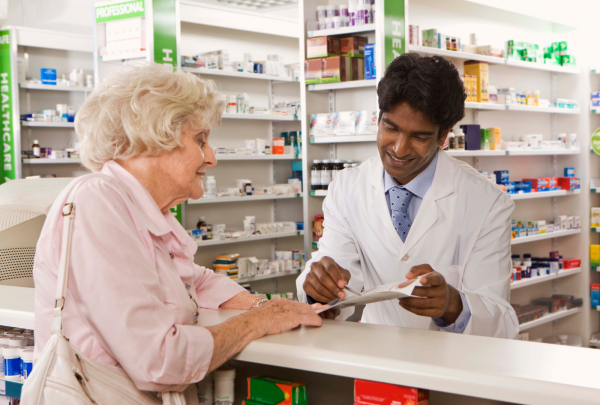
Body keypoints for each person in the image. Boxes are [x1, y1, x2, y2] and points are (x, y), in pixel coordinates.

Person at [33, 63, 322, 403]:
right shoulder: (97, 202)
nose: (211, 157)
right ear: (155, 136)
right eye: (201, 140)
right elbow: (159, 360)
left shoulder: (143, 208)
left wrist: (266, 305)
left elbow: (191, 279)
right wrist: (259, 321)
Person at [297, 53, 519, 338]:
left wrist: (452, 304)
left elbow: (500, 321)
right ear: (378, 119)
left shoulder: (487, 203)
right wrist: (319, 289)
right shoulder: (347, 187)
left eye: (419, 137)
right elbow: (334, 278)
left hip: (451, 365)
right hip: (374, 356)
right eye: (390, 128)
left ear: (443, 136)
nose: (399, 149)